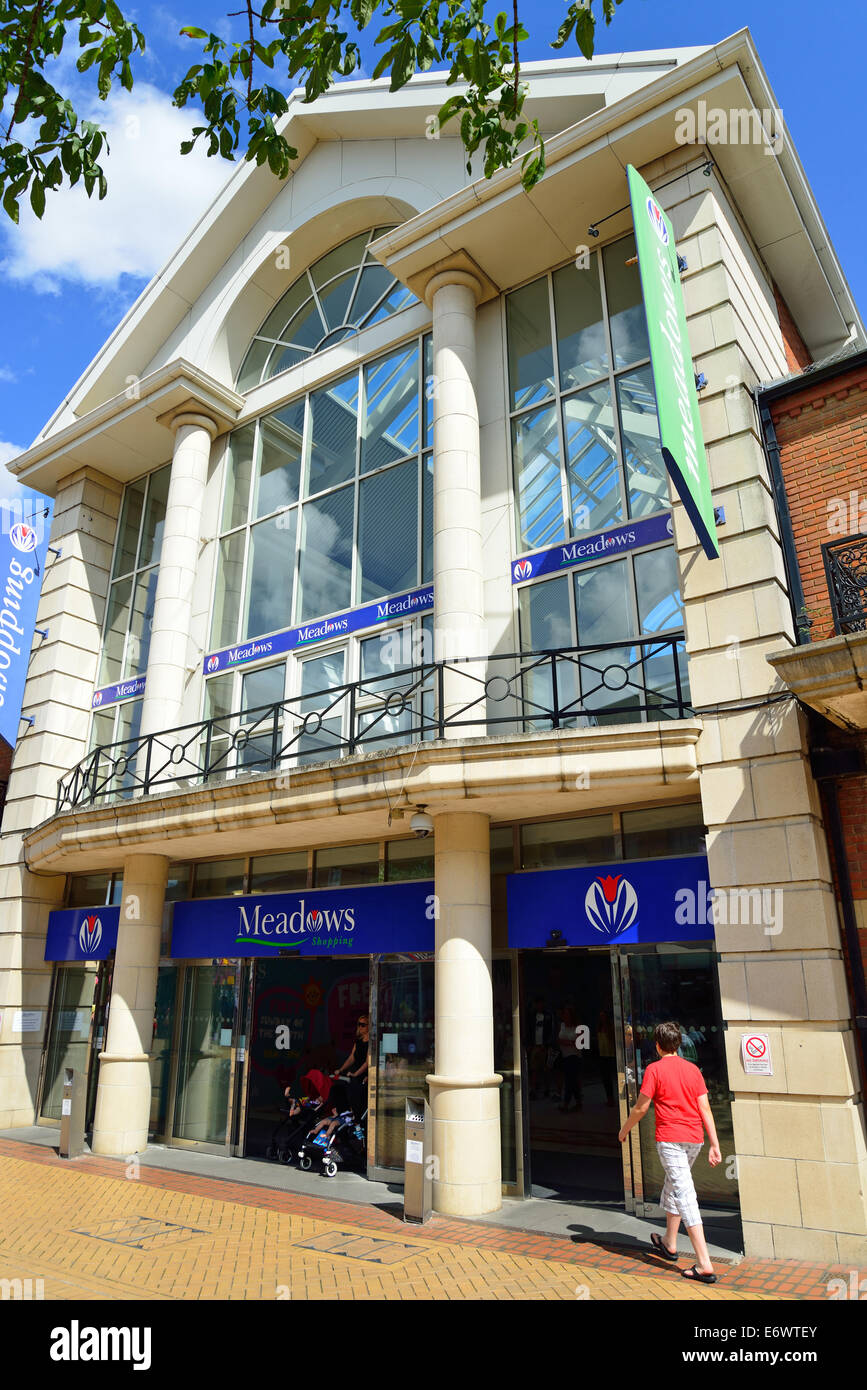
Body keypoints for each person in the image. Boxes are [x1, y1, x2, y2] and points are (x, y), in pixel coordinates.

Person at [617, 1020, 722, 1284]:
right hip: (694, 1140)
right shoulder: (693, 1071)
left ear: (657, 1045)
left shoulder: (654, 1069)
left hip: (670, 1140)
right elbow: (705, 1109)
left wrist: (625, 1129)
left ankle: (704, 1263)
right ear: (678, 1043)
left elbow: (641, 1108)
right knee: (674, 1186)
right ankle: (669, 1242)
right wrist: (715, 1143)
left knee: (685, 1194)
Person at [336, 1014, 370, 1116]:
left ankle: (357, 1118)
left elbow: (368, 1062)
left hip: (364, 1074)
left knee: (358, 1096)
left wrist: (356, 1074)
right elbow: (352, 1057)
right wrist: (341, 1069)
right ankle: (348, 1113)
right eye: (358, 1024)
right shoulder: (358, 1041)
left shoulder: (371, 1042)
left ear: (369, 1026)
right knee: (339, 1088)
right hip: (355, 1072)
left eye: (363, 1024)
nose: (360, 1027)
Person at [557, 1002, 583, 1112]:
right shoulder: (562, 1025)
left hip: (574, 1056)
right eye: (565, 1014)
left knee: (569, 1080)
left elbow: (580, 1043)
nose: (566, 1016)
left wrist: (567, 1042)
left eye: (568, 1014)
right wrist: (569, 1042)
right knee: (573, 1081)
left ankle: (566, 1103)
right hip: (564, 1055)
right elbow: (558, 1040)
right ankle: (578, 1101)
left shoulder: (578, 1027)